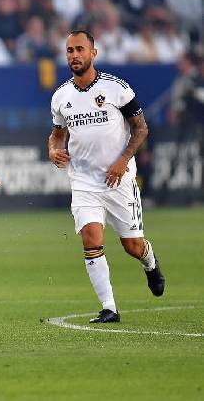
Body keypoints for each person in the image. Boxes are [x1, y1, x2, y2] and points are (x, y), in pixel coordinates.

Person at [48, 30, 166, 324]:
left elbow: (141, 129)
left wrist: (123, 160)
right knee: (91, 238)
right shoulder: (61, 97)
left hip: (120, 181)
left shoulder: (117, 89)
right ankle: (109, 307)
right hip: (85, 182)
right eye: (69, 51)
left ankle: (150, 264)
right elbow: (57, 135)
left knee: (132, 246)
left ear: (93, 53)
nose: (74, 55)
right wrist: (53, 150)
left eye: (79, 49)